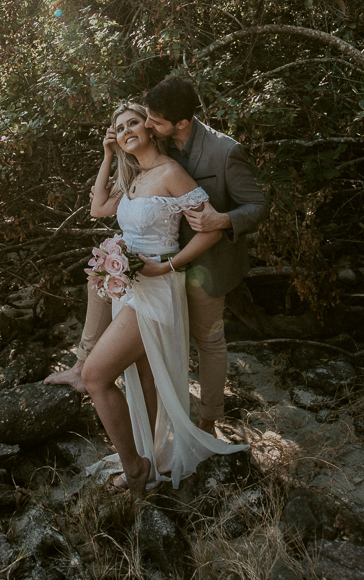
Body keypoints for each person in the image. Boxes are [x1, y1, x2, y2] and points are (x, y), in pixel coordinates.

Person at [47, 77, 269, 436]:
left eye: (150, 121)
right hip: (155, 265)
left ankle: (207, 421)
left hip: (205, 264)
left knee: (208, 341)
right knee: (104, 293)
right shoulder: (148, 157)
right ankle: (146, 427)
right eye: (143, 118)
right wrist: (110, 157)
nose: (147, 124)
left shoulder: (223, 151)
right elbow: (103, 205)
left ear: (180, 123)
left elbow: (257, 205)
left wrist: (222, 220)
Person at [80, 102, 248, 494]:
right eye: (119, 127)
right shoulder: (134, 177)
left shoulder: (171, 173)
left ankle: (135, 468)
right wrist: (107, 156)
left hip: (156, 290)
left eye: (133, 122)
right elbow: (98, 208)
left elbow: (211, 228)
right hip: (130, 288)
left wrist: (169, 265)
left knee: (94, 376)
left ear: (150, 128)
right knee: (144, 378)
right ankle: (151, 456)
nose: (126, 130)